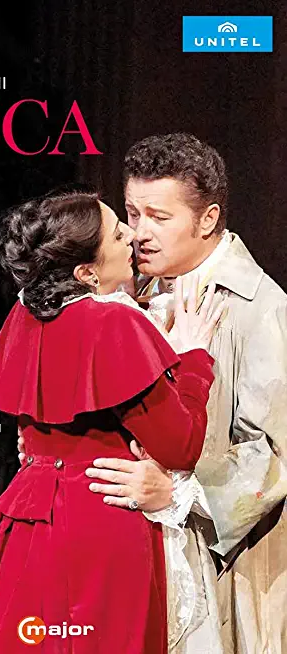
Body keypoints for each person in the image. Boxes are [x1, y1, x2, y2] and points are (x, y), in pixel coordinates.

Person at [0, 190, 224, 653]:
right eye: (118, 234)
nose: (133, 236)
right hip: (99, 522)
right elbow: (181, 446)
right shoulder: (113, 324)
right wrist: (194, 359)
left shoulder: (25, 313)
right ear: (86, 273)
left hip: (27, 527)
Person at [78, 133, 287, 653]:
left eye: (159, 216)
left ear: (208, 219)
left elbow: (274, 453)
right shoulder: (129, 292)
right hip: (129, 549)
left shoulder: (261, 309)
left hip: (219, 561)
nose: (139, 232)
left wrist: (175, 494)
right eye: (132, 213)